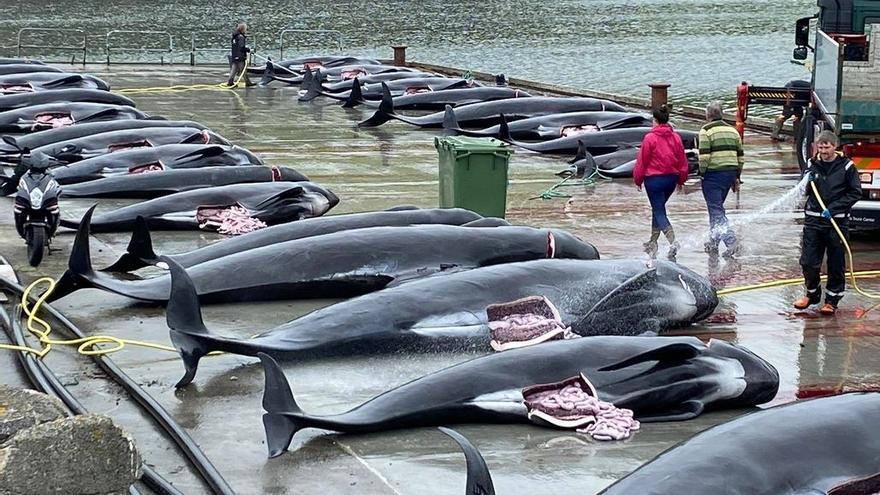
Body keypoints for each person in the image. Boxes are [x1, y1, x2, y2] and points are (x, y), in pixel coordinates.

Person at [793, 130, 862, 315]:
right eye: (820, 146)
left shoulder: (847, 167)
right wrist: (807, 180)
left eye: (827, 147)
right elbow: (803, 189)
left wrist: (835, 208)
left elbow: (855, 192)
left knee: (835, 263)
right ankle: (812, 294)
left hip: (836, 222)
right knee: (808, 261)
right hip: (813, 221)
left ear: (835, 147)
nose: (823, 151)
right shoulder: (811, 164)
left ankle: (832, 300)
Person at [633, 104, 689, 260]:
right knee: (657, 208)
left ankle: (673, 242)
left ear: (655, 121)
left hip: (654, 180)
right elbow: (682, 161)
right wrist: (682, 179)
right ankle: (653, 242)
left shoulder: (650, 138)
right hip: (671, 179)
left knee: (659, 210)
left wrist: (638, 179)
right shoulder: (676, 137)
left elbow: (642, 162)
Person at [698, 101, 744, 258]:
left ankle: (731, 241)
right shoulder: (733, 131)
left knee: (716, 210)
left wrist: (701, 173)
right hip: (729, 173)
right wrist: (737, 176)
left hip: (713, 174)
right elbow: (740, 156)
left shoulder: (706, 131)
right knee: (716, 208)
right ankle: (713, 242)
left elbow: (704, 157)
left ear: (707, 115)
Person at [226, 23, 254, 87]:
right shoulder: (241, 37)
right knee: (243, 69)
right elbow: (241, 47)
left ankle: (230, 82)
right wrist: (248, 50)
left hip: (234, 55)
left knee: (234, 69)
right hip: (240, 56)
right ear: (243, 29)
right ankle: (247, 82)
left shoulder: (234, 37)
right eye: (245, 29)